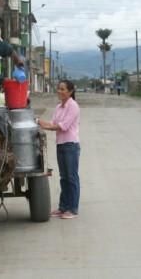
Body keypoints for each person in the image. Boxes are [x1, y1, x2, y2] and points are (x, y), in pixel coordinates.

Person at [37, 80, 81, 219]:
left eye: (63, 89)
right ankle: (63, 207)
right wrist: (38, 121)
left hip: (70, 145)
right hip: (61, 144)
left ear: (70, 91)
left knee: (71, 177)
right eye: (58, 89)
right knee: (63, 178)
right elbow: (53, 123)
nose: (59, 91)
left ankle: (72, 209)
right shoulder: (58, 107)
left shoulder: (73, 106)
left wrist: (45, 126)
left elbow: (63, 126)